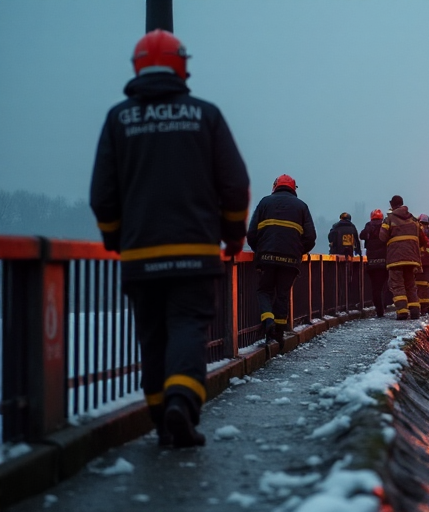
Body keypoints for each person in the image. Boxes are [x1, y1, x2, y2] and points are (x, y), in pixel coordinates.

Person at [90, 29, 250, 448]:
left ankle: (162, 420)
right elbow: (235, 185)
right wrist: (233, 236)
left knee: (153, 336)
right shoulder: (205, 115)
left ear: (137, 67)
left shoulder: (118, 119)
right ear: (182, 66)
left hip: (140, 256)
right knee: (187, 329)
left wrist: (115, 238)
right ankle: (182, 402)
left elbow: (102, 195)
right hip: (195, 253)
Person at [247, 174, 316, 351]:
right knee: (283, 294)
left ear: (275, 186)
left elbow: (252, 233)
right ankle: (279, 333)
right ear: (294, 188)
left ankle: (268, 321)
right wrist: (298, 253)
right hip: (290, 259)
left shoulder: (264, 202)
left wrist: (260, 251)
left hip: (267, 257)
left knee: (264, 290)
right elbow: (310, 237)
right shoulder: (301, 206)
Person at [379, 195, 422, 320]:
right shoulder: (413, 219)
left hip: (396, 258)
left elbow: (382, 237)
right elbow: (421, 236)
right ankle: (415, 311)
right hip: (412, 257)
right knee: (410, 284)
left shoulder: (389, 219)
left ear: (392, 205)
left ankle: (402, 311)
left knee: (397, 285)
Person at [359, 209, 389, 317]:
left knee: (375, 288)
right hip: (384, 261)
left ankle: (379, 309)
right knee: (384, 286)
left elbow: (362, 236)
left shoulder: (369, 226)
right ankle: (384, 305)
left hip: (372, 263)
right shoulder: (384, 225)